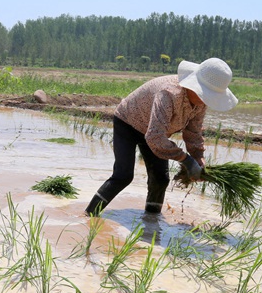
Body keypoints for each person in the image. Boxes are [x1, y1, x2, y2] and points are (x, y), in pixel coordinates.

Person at [85, 57, 238, 216]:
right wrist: (186, 160)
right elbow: (155, 137)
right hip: (128, 122)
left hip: (153, 130)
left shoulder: (200, 104)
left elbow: (193, 131)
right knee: (123, 175)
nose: (207, 100)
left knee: (161, 178)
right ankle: (89, 215)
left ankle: (151, 221)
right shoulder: (169, 93)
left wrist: (198, 156)